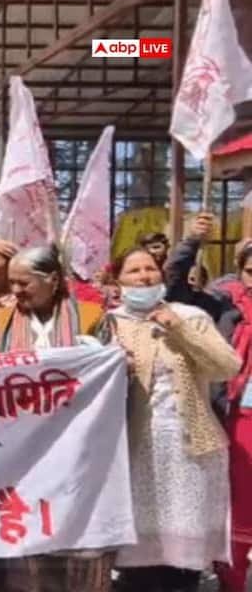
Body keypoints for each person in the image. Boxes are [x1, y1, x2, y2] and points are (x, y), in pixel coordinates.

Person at [0, 245, 111, 592]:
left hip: (80, 447)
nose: (16, 291)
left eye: (24, 283)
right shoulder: (3, 320)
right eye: (12, 283)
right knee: (30, 532)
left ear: (52, 280)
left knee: (79, 535)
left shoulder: (92, 316)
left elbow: (113, 374)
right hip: (24, 449)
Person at [108, 247, 238, 592]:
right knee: (139, 560)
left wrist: (179, 330)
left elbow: (227, 367)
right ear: (118, 281)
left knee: (182, 559)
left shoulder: (190, 316)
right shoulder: (109, 324)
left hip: (190, 449)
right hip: (135, 451)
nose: (144, 277)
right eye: (133, 271)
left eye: (150, 269)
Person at [217, 245, 252, 592]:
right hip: (241, 414)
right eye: (251, 272)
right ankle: (233, 579)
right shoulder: (228, 309)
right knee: (241, 500)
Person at [164, 213, 227, 321]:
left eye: (197, 279)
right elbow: (175, 266)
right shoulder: (176, 299)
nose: (194, 282)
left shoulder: (213, 304)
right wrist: (193, 240)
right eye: (191, 279)